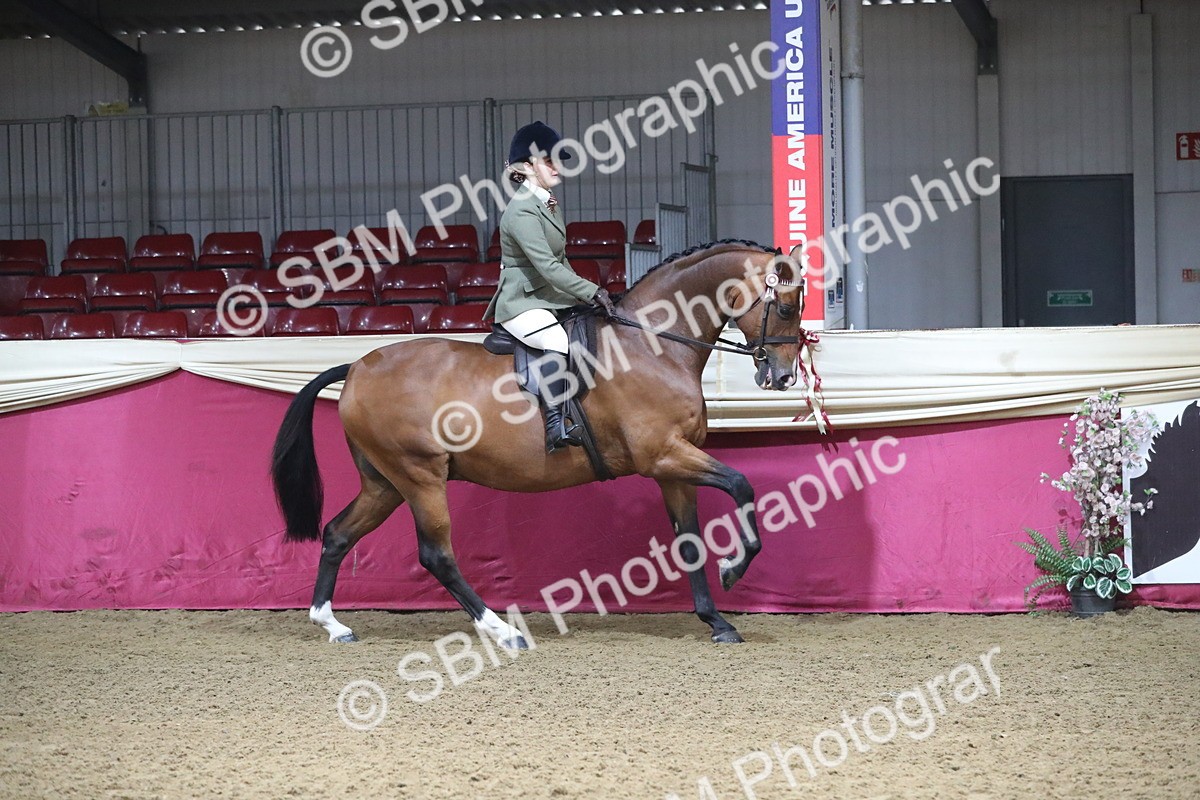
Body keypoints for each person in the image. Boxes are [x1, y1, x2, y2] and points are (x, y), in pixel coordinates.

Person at [484, 121, 617, 453]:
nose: (558, 167)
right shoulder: (521, 212)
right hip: (521, 302)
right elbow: (548, 267)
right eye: (549, 161)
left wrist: (585, 296)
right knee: (557, 338)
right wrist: (591, 291)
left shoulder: (546, 203)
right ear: (528, 167)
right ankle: (555, 425)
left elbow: (562, 260)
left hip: (545, 297)